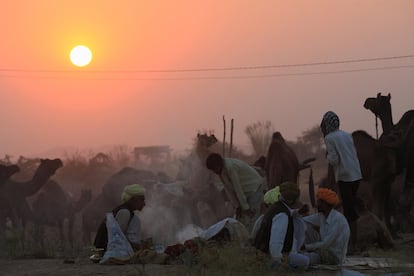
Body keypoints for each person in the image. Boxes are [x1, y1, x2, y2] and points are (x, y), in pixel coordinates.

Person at [320, 111, 362, 248]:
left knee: (349, 211)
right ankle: (351, 241)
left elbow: (334, 159)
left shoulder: (329, 138)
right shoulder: (347, 135)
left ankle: (352, 244)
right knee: (351, 207)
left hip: (344, 176)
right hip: (356, 175)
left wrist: (327, 157)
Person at [253, 182, 308, 269]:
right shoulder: (282, 216)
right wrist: (279, 262)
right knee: (306, 261)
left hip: (263, 252)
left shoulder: (276, 207)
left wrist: (298, 212)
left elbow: (290, 212)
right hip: (271, 257)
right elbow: (275, 242)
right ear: (294, 200)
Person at [206, 153, 264, 233]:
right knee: (240, 219)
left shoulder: (230, 167)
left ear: (218, 165)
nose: (214, 172)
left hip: (254, 187)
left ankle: (252, 241)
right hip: (245, 190)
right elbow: (228, 190)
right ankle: (242, 238)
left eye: (214, 169)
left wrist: (245, 207)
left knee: (252, 217)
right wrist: (237, 206)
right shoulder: (220, 171)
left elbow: (237, 188)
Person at [301, 188, 350, 266]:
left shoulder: (337, 219)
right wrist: (297, 213)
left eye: (319, 202)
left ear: (325, 204)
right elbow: (303, 221)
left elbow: (326, 244)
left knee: (302, 259)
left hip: (334, 257)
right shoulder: (322, 216)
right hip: (323, 251)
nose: (317, 205)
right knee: (303, 224)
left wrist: (305, 247)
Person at [93, 184, 146, 254]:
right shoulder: (125, 212)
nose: (144, 203)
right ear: (132, 199)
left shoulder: (129, 212)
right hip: (109, 250)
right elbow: (118, 237)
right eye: (141, 200)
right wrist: (136, 246)